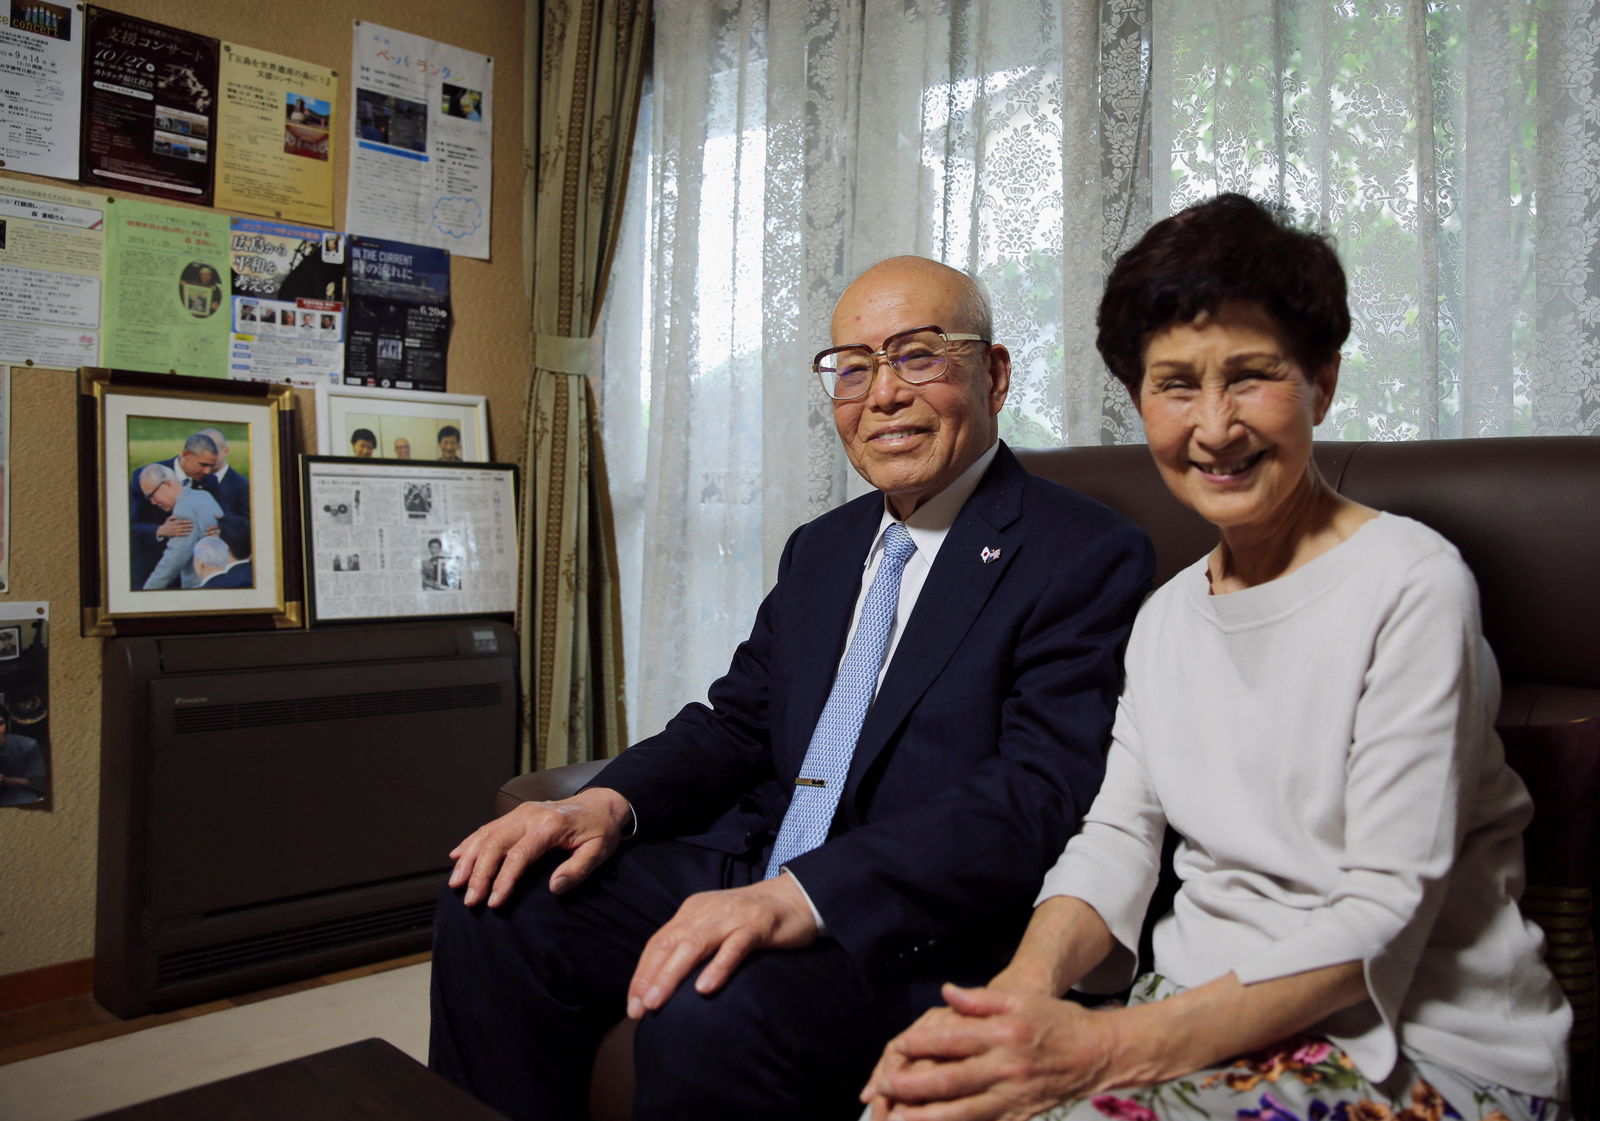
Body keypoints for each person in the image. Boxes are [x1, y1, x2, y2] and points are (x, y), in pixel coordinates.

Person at [860, 196, 1570, 1121]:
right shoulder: (1166, 619)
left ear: (1323, 380)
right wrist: (1020, 1001)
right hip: (1193, 1019)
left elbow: (1379, 913)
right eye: (1176, 384)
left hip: (1420, 1052)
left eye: (1252, 375)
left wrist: (1095, 1048)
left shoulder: (1412, 583)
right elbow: (1117, 837)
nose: (1216, 426)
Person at [428, 256, 1154, 1121]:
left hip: (913, 920)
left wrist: (806, 894)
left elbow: (1036, 796)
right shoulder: (823, 546)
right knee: (497, 903)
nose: (881, 394)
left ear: (993, 374)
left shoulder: (1084, 549)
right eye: (852, 366)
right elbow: (737, 722)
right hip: (757, 857)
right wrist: (608, 801)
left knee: (710, 1003)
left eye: (917, 355)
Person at [128, 433, 221, 588]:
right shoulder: (145, 478)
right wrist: (159, 530)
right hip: (151, 569)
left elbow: (223, 517)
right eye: (203, 464)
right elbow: (126, 527)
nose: (207, 472)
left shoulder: (210, 482)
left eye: (211, 466)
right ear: (186, 455)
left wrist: (220, 528)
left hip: (193, 575)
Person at [0, 713, 45, 807]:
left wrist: (8, 781)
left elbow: (40, 782)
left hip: (19, 799)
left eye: (0, 723)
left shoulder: (27, 745)